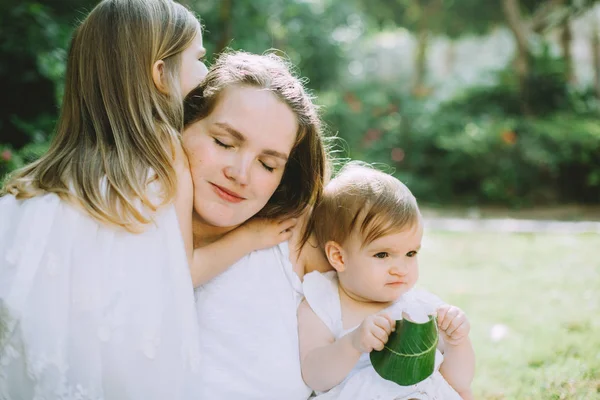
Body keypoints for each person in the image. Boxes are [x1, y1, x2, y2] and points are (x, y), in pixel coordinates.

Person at [0, 0, 265, 398]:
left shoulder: (38, 182)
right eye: (199, 58)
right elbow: (181, 270)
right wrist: (254, 237)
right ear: (161, 73)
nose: (206, 72)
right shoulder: (164, 152)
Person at [181, 50, 331, 399]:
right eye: (224, 143)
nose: (240, 174)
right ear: (183, 123)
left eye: (268, 164)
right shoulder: (123, 220)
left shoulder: (296, 238)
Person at [297, 163, 476, 400]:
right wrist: (352, 343)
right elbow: (314, 376)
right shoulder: (323, 302)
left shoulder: (421, 307)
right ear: (339, 257)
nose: (400, 269)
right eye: (382, 255)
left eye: (411, 254)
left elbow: (459, 382)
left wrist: (457, 343)